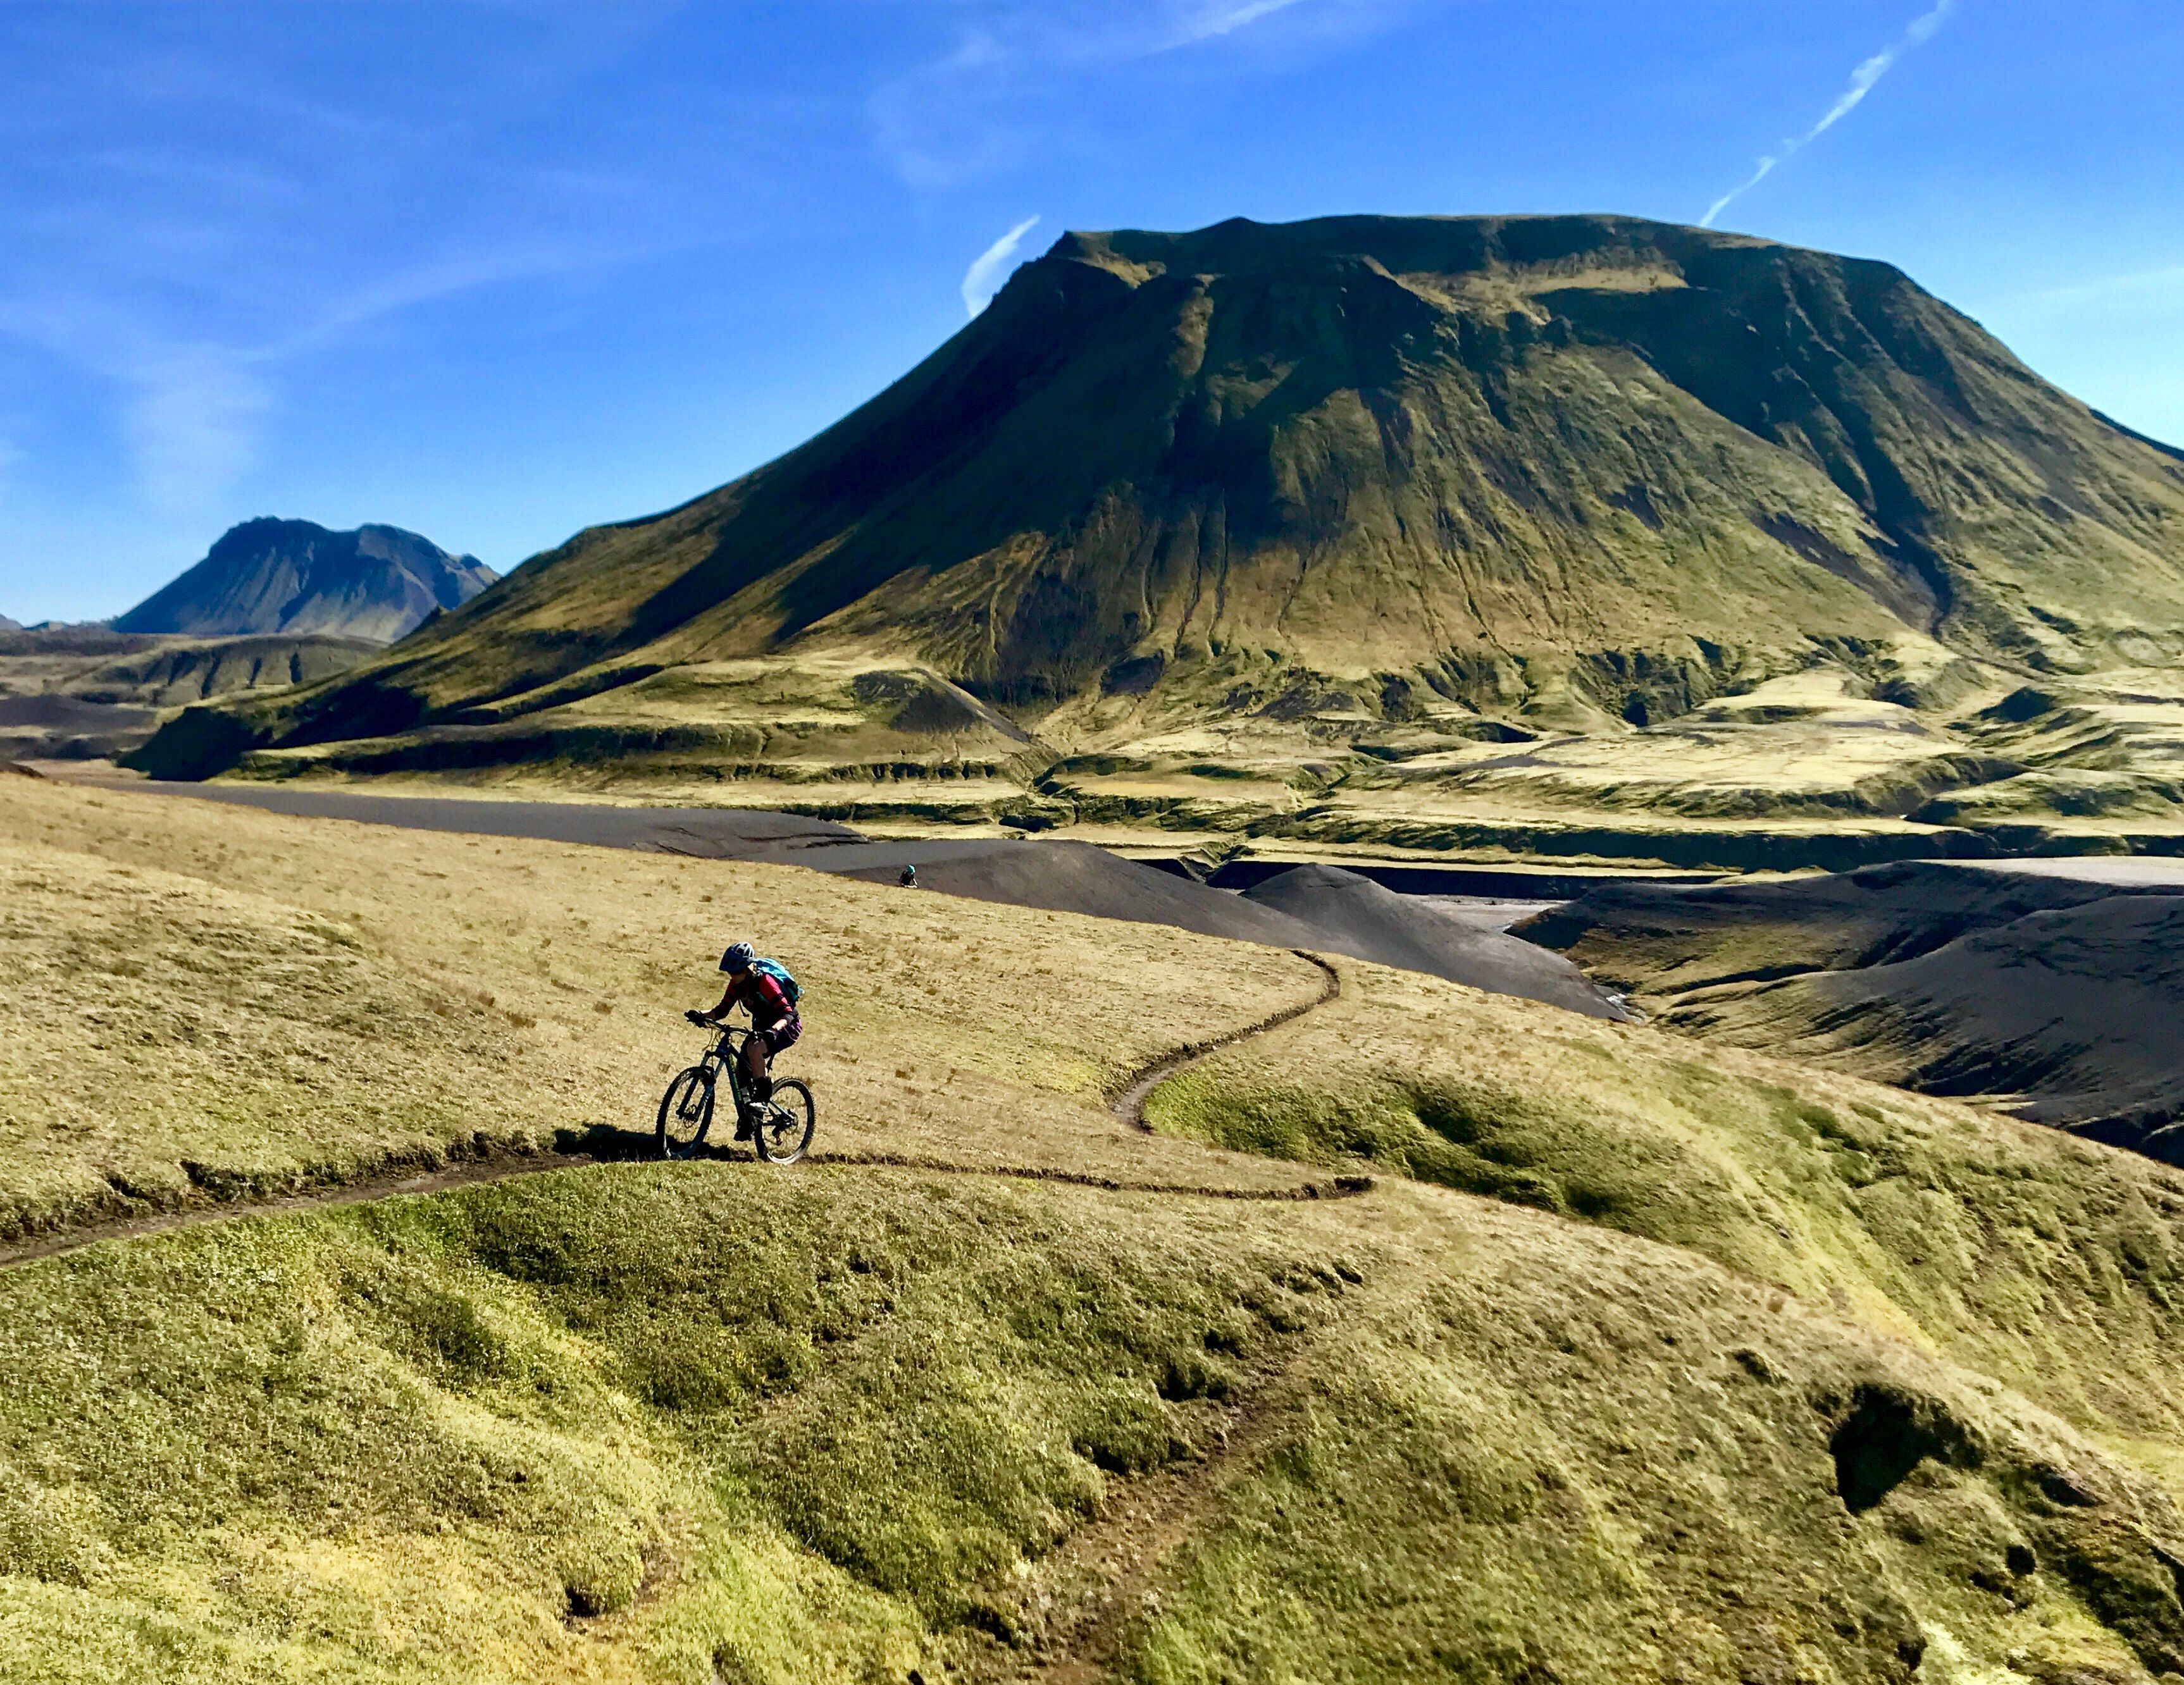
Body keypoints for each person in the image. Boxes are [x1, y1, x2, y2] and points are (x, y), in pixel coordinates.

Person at [688, 941, 800, 1114]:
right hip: (762, 1027)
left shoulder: (765, 982)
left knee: (754, 1049)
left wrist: (774, 1030)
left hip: (786, 1027)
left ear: (747, 969)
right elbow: (721, 1010)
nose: (732, 976)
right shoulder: (736, 985)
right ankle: (749, 1117)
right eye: (730, 973)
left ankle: (761, 1101)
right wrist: (701, 1014)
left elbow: (788, 1013)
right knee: (741, 1068)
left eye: (736, 972)